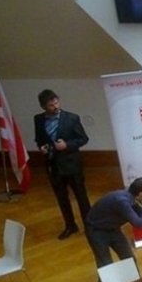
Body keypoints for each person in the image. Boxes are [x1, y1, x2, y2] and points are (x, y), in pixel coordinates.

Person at [34, 89, 91, 240]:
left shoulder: (72, 118)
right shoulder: (38, 119)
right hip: (53, 165)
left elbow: (83, 139)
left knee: (81, 196)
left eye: (56, 102)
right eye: (51, 105)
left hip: (72, 164)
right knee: (61, 198)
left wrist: (67, 145)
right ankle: (70, 225)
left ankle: (89, 225)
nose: (56, 107)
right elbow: (39, 139)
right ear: (43, 106)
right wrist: (42, 147)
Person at [85, 177, 142, 273]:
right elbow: (138, 224)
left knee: (129, 259)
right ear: (141, 194)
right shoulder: (122, 201)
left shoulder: (134, 198)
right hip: (96, 231)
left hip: (113, 229)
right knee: (106, 266)